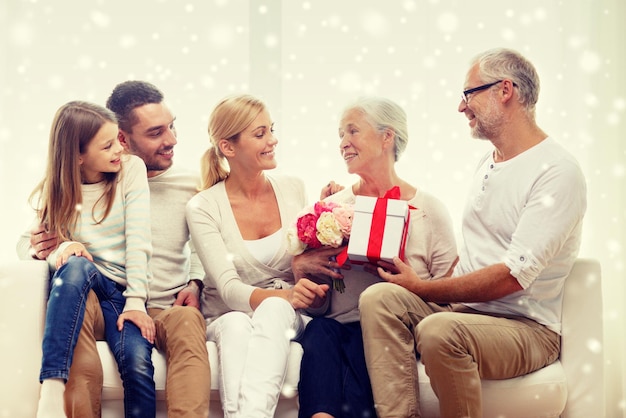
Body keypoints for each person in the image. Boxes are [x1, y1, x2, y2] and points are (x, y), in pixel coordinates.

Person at [358, 48, 588, 418]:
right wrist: (430, 286)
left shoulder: (556, 172)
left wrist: (423, 288)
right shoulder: (489, 161)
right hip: (466, 311)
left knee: (439, 331)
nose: (461, 107)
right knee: (379, 298)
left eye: (469, 94)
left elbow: (512, 276)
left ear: (505, 90)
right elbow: (478, 249)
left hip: (526, 328)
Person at [18, 81, 211, 418]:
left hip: (164, 304)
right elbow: (29, 240)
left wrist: (195, 280)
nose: (172, 140)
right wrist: (43, 248)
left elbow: (208, 238)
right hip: (107, 298)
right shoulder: (76, 184)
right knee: (74, 310)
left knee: (189, 321)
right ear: (122, 138)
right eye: (156, 133)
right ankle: (60, 399)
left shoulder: (191, 184)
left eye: (172, 126)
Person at [291, 97, 458, 418]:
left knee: (361, 340)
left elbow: (447, 298)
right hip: (337, 327)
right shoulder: (331, 209)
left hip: (396, 328)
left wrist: (409, 282)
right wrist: (305, 273)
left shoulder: (429, 210)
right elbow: (321, 307)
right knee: (319, 332)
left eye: (353, 131)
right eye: (340, 134)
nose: (343, 143)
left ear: (387, 137)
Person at [185, 94, 311, 418]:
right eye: (260, 134)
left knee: (272, 308)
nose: (273, 140)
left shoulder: (293, 188)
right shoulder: (204, 207)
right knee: (239, 324)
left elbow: (308, 261)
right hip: (226, 314)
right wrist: (287, 295)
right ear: (228, 147)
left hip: (284, 314)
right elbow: (228, 289)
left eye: (271, 129)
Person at [28, 101, 155, 418]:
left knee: (137, 365)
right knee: (74, 263)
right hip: (85, 289)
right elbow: (26, 246)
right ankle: (52, 388)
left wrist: (136, 301)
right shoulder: (55, 191)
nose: (119, 151)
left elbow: (138, 239)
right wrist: (60, 248)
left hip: (122, 294)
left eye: (118, 140)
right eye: (108, 145)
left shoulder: (130, 171)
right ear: (78, 156)